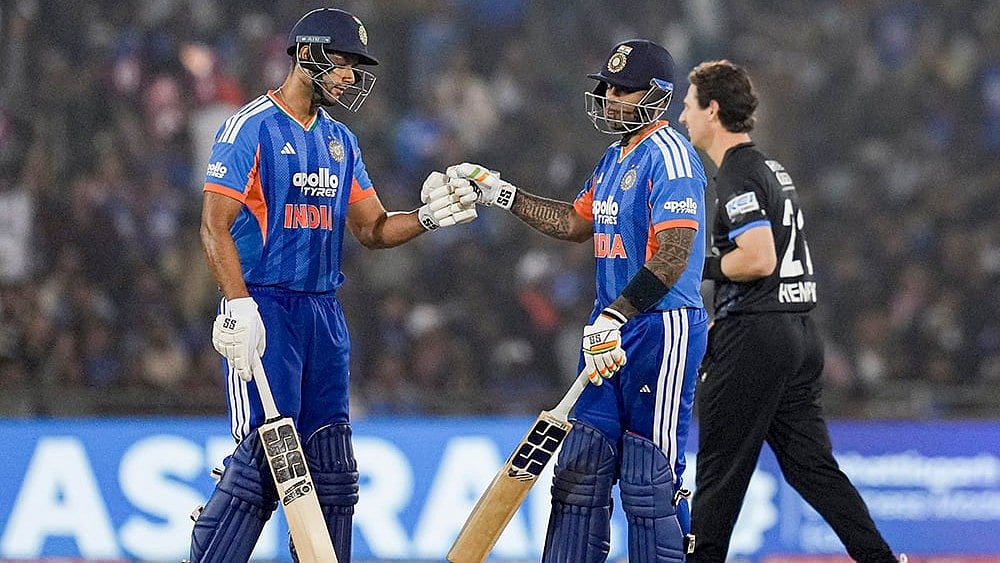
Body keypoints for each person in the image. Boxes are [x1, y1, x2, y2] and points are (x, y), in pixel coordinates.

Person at [188, 7, 477, 563]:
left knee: (332, 471)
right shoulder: (250, 126)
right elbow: (212, 224)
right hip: (265, 308)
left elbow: (371, 229)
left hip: (323, 311)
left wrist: (428, 217)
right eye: (343, 64)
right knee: (266, 462)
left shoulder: (341, 140)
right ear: (307, 55)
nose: (350, 77)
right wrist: (238, 305)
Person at [448, 39, 708, 563]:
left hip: (662, 329)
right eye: (606, 87)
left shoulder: (672, 158)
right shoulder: (615, 157)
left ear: (656, 96)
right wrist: (501, 193)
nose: (609, 97)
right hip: (608, 330)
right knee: (579, 473)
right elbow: (573, 221)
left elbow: (673, 255)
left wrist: (617, 314)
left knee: (647, 480)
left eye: (622, 89)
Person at [679, 60, 904, 563]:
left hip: (755, 338)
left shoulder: (736, 173)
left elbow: (758, 258)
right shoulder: (770, 168)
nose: (682, 118)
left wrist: (697, 267)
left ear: (713, 110)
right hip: (798, 331)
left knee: (719, 472)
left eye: (689, 105)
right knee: (810, 467)